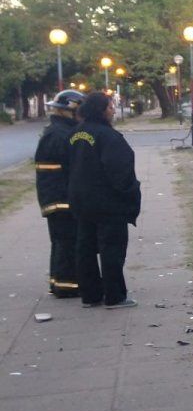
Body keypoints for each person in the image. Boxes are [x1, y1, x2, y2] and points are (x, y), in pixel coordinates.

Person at [68, 92, 141, 307]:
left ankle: (90, 295)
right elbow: (120, 170)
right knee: (112, 248)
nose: (113, 110)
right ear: (101, 110)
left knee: (86, 248)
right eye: (110, 107)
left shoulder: (74, 134)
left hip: (81, 200)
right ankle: (115, 295)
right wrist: (130, 194)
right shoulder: (108, 137)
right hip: (108, 202)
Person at [35, 89, 85, 298]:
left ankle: (58, 282)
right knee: (68, 241)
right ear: (71, 111)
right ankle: (68, 286)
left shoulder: (57, 130)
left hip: (54, 196)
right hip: (61, 198)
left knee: (61, 241)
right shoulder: (61, 134)